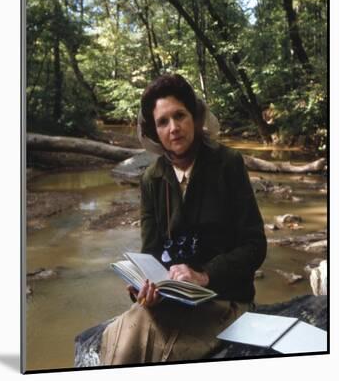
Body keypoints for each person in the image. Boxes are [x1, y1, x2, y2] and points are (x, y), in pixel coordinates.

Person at [99, 73, 267, 365]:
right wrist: (145, 287)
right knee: (125, 332)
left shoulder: (228, 163)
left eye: (180, 116)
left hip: (224, 299)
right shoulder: (152, 178)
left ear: (195, 118)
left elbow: (255, 245)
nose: (173, 128)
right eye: (163, 122)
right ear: (154, 131)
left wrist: (204, 275)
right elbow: (152, 252)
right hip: (173, 302)